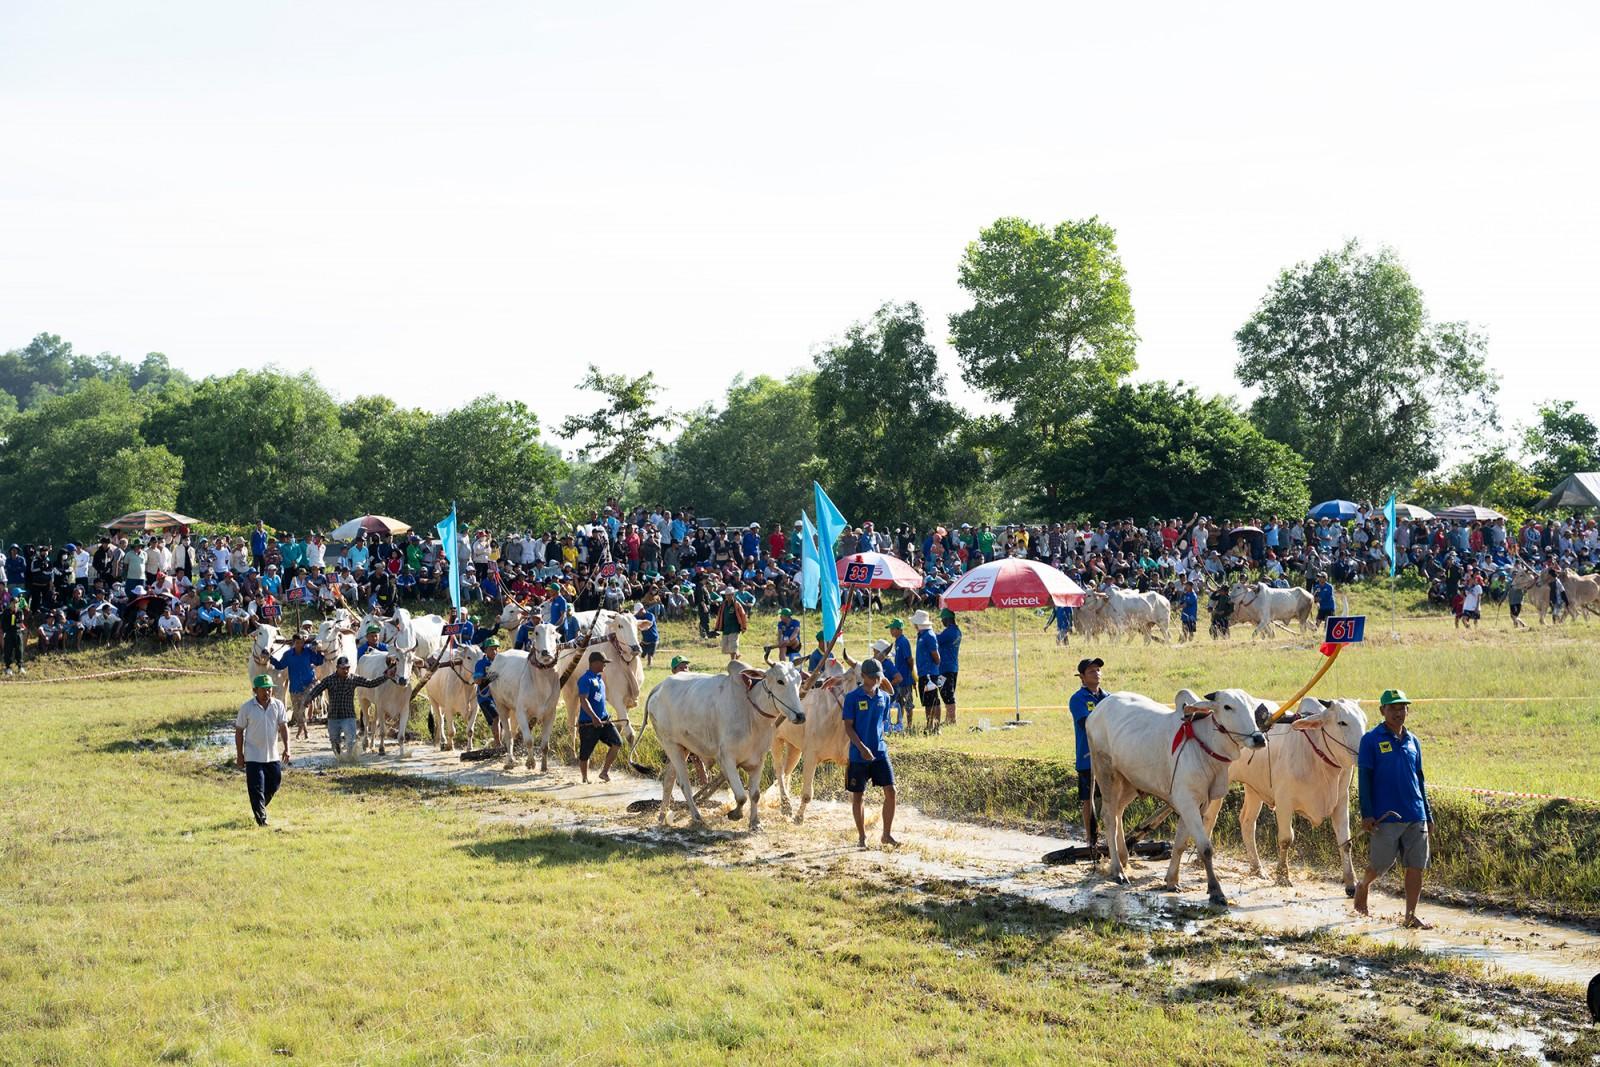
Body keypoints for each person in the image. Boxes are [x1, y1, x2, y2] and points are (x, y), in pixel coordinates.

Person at [1354, 689, 1436, 929]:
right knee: (1380, 864)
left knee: (1416, 866)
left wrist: (1428, 814)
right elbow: (1364, 779)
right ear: (1382, 711)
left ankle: (1410, 915)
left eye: (1403, 708)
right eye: (1393, 708)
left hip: (1415, 813)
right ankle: (1363, 885)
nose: (1399, 713)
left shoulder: (1414, 741)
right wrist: (1366, 813)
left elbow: (1420, 779)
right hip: (1386, 816)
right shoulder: (1371, 740)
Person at [842, 657, 897, 849]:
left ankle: (886, 835)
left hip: (880, 753)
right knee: (858, 796)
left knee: (891, 791)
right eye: (872, 677)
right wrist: (862, 748)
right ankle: (862, 836)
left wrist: (876, 745)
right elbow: (848, 728)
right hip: (858, 755)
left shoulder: (885, 698)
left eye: (878, 677)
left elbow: (882, 725)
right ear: (863, 676)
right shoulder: (852, 698)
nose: (875, 680)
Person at [303, 655, 394, 762]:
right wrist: (309, 698)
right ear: (337, 668)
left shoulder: (353, 679)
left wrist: (386, 676)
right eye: (343, 668)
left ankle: (351, 760)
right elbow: (318, 689)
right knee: (334, 742)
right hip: (333, 717)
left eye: (347, 668)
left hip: (348, 717)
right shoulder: (329, 680)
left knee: (351, 741)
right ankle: (340, 760)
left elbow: (370, 683)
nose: (346, 671)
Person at [235, 675, 290, 826]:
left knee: (275, 784)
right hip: (253, 755)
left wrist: (287, 748)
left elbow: (283, 727)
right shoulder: (247, 708)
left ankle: (259, 807)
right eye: (263, 690)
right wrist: (240, 755)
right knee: (256, 787)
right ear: (255, 690)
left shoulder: (278, 705)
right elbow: (239, 731)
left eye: (269, 689)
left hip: (272, 755)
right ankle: (261, 820)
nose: (267, 693)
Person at [1069, 658, 1105, 849]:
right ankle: (1092, 839)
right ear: (1082, 677)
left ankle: (1112, 835)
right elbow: (1086, 724)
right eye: (1091, 671)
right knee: (1088, 799)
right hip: (1087, 757)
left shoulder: (1108, 698)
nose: (1096, 673)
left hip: (1110, 758)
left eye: (1098, 670)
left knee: (1111, 797)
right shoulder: (1078, 699)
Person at [575, 650, 621, 783]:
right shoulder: (585, 680)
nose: (605, 665)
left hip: (604, 721)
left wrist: (604, 716)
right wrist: (594, 717)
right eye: (603, 663)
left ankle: (604, 772)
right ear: (595, 663)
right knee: (585, 754)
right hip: (589, 723)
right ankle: (584, 779)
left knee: (617, 743)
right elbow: (584, 700)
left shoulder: (600, 680)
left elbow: (599, 701)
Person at [271, 631, 326, 740]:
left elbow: (319, 661)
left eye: (302, 643)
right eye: (297, 643)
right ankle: (302, 731)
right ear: (293, 643)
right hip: (294, 687)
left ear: (304, 643)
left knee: (302, 708)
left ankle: (305, 732)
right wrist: (270, 658)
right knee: (297, 713)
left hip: (309, 684)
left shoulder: (308, 652)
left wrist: (318, 651)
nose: (300, 645)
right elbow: (280, 665)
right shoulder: (288, 655)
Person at [911, 609, 941, 734]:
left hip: (930, 673)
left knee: (934, 700)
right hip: (923, 673)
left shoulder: (929, 635)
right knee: (927, 701)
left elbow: (936, 656)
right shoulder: (922, 635)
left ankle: (936, 726)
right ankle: (929, 724)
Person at [472, 637, 503, 747]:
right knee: (497, 717)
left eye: (496, 649)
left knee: (501, 721)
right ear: (485, 650)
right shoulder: (480, 664)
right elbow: (477, 681)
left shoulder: (502, 661)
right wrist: (491, 677)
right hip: (485, 698)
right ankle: (498, 745)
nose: (494, 652)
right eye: (491, 649)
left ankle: (500, 743)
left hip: (499, 697)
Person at [935, 608, 962, 728]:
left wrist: (929, 631)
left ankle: (952, 720)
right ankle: (948, 719)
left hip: (945, 669)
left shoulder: (949, 632)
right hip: (951, 667)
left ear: (947, 619)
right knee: (943, 691)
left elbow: (936, 639)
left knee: (947, 693)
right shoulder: (957, 631)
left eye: (942, 619)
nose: (942, 622)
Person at [715, 590, 747, 660]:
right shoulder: (723, 605)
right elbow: (720, 615)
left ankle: (733, 661)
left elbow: (743, 615)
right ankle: (737, 655)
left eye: (730, 595)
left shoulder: (737, 604)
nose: (728, 596)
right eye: (727, 595)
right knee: (726, 647)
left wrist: (744, 627)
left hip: (734, 628)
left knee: (733, 645)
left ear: (733, 595)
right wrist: (717, 626)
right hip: (726, 628)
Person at [3, 594, 28, 674]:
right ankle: (8, 667)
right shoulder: (6, 612)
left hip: (18, 632)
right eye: (13, 602)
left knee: (19, 650)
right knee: (8, 651)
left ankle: (20, 666)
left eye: (16, 602)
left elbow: (20, 622)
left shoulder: (20, 611)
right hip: (9, 633)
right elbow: (4, 625)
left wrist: (20, 627)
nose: (15, 604)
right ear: (10, 603)